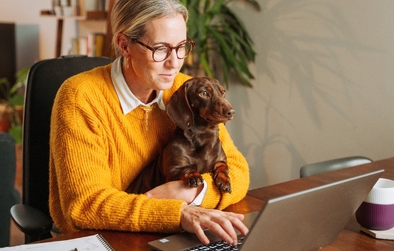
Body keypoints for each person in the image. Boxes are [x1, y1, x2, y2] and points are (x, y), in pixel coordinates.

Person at [49, 0, 250, 246]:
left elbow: (238, 171)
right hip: (100, 240)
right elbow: (85, 205)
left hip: (168, 236)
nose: (174, 62)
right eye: (161, 49)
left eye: (181, 47)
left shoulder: (185, 92)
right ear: (124, 45)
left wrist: (190, 192)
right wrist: (178, 212)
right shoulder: (81, 97)